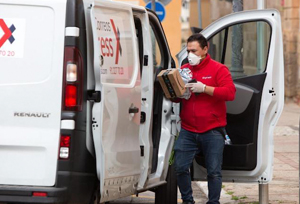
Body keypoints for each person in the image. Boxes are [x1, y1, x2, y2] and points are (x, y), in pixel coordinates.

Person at [173, 33, 236, 204]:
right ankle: (188, 200)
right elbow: (176, 97)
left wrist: (205, 88)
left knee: (214, 171)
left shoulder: (219, 69)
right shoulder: (185, 69)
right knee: (179, 167)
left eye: (194, 50)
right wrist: (178, 94)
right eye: (188, 50)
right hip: (188, 129)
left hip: (212, 130)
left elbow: (230, 93)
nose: (190, 54)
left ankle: (213, 202)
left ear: (205, 49)